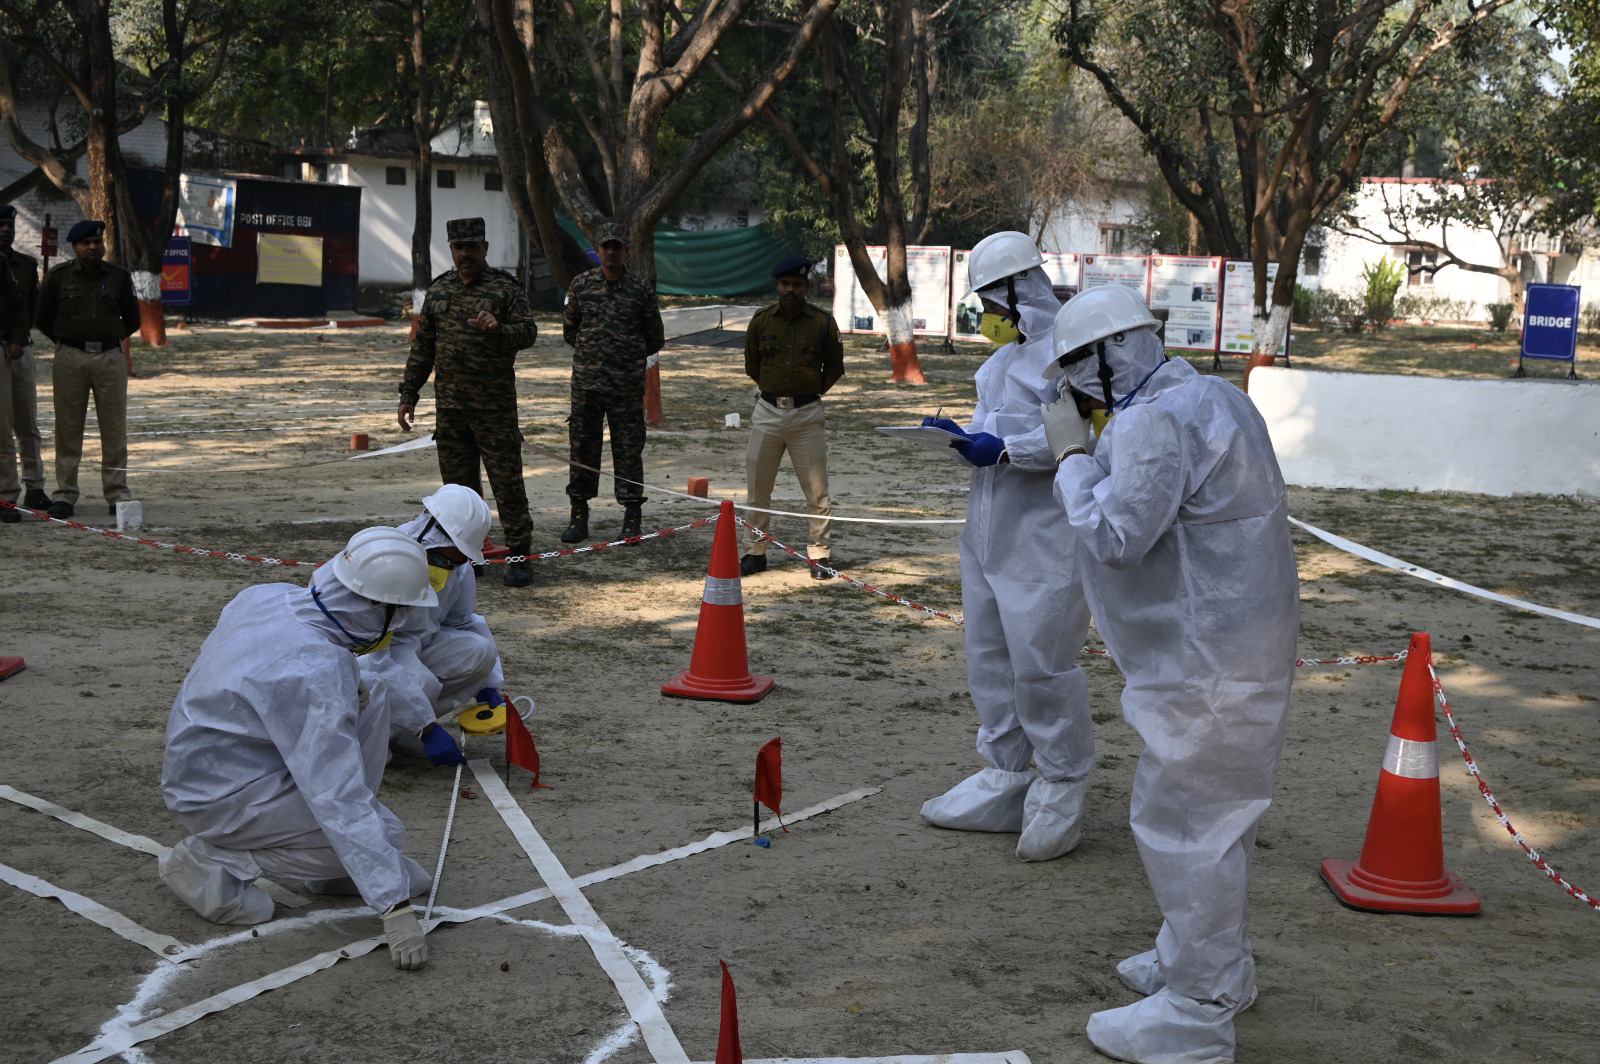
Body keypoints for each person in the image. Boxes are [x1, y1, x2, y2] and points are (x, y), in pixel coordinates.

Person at [1044, 285, 1299, 1064]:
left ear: (1107, 355)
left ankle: (1197, 1009)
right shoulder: (1216, 397)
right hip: (1240, 644)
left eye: (1076, 372)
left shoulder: (1156, 420)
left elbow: (1117, 534)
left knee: (1187, 822)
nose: (1074, 390)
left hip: (1202, 655)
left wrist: (1071, 459)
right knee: (1221, 822)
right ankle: (1209, 961)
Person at [161, 528, 465, 971]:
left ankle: (327, 865)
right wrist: (393, 907)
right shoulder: (312, 673)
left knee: (372, 690)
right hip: (220, 797)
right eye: (397, 613)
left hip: (224, 764)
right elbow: (336, 795)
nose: (399, 625)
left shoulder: (268, 595)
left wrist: (422, 724)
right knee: (385, 840)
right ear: (374, 606)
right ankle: (213, 856)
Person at [917, 231, 1094, 861]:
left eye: (991, 301)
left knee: (1040, 664)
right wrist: (962, 436)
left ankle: (1062, 778)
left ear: (1021, 290)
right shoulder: (997, 365)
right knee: (988, 655)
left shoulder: (1072, 353)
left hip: (1045, 540)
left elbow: (1085, 435)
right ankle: (1007, 771)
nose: (986, 316)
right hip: (988, 531)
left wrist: (1011, 447)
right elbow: (992, 430)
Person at [398, 217, 540, 588]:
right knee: (458, 491)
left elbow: (529, 333)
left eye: (472, 247)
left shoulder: (504, 289)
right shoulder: (440, 290)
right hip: (451, 409)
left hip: (494, 409)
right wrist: (408, 393)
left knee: (506, 484)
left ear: (485, 248)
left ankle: (520, 555)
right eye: (459, 248)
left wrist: (500, 329)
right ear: (451, 250)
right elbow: (423, 349)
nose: (465, 254)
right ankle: (465, 557)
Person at [362, 484, 507, 748]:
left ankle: (400, 732)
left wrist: (487, 685)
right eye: (442, 561)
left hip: (421, 643)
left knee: (479, 651)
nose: (447, 569)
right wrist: (426, 727)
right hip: (374, 650)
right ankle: (382, 739)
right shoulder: (383, 559)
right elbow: (370, 657)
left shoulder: (458, 566)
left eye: (457, 562)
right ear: (429, 533)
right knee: (419, 682)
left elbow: (462, 622)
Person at [738, 255, 844, 580]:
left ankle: (820, 554)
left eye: (796, 285)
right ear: (777, 286)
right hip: (768, 411)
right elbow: (752, 365)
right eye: (785, 284)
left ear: (805, 287)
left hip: (807, 414)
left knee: (816, 490)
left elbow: (834, 369)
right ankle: (755, 552)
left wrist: (806, 392)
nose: (790, 290)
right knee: (758, 486)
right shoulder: (761, 321)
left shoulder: (823, 323)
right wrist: (775, 392)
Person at [560, 222, 664, 544]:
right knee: (582, 449)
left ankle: (632, 516)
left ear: (625, 250)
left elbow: (655, 337)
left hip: (625, 388)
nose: (610, 251)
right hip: (587, 386)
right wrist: (595, 356)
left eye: (616, 246)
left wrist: (624, 358)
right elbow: (570, 331)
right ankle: (579, 516)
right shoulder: (581, 285)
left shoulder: (640, 290)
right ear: (598, 248)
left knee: (629, 450)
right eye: (605, 246)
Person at [34, 219, 140, 520]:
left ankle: (117, 492)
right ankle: (65, 495)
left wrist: (106, 340)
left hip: (109, 358)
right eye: (86, 243)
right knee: (67, 428)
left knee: (114, 428)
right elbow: (42, 317)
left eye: (97, 242)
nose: (93, 247)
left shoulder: (119, 277)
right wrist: (69, 342)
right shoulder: (57, 277)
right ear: (75, 247)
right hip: (70, 357)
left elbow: (132, 319)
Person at [0, 204, 45, 524]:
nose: (4, 230)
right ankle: (7, 495)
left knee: (27, 422)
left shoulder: (26, 266)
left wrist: (18, 338)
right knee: (1, 430)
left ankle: (35, 487)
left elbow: (25, 309)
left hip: (19, 349)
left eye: (8, 225)